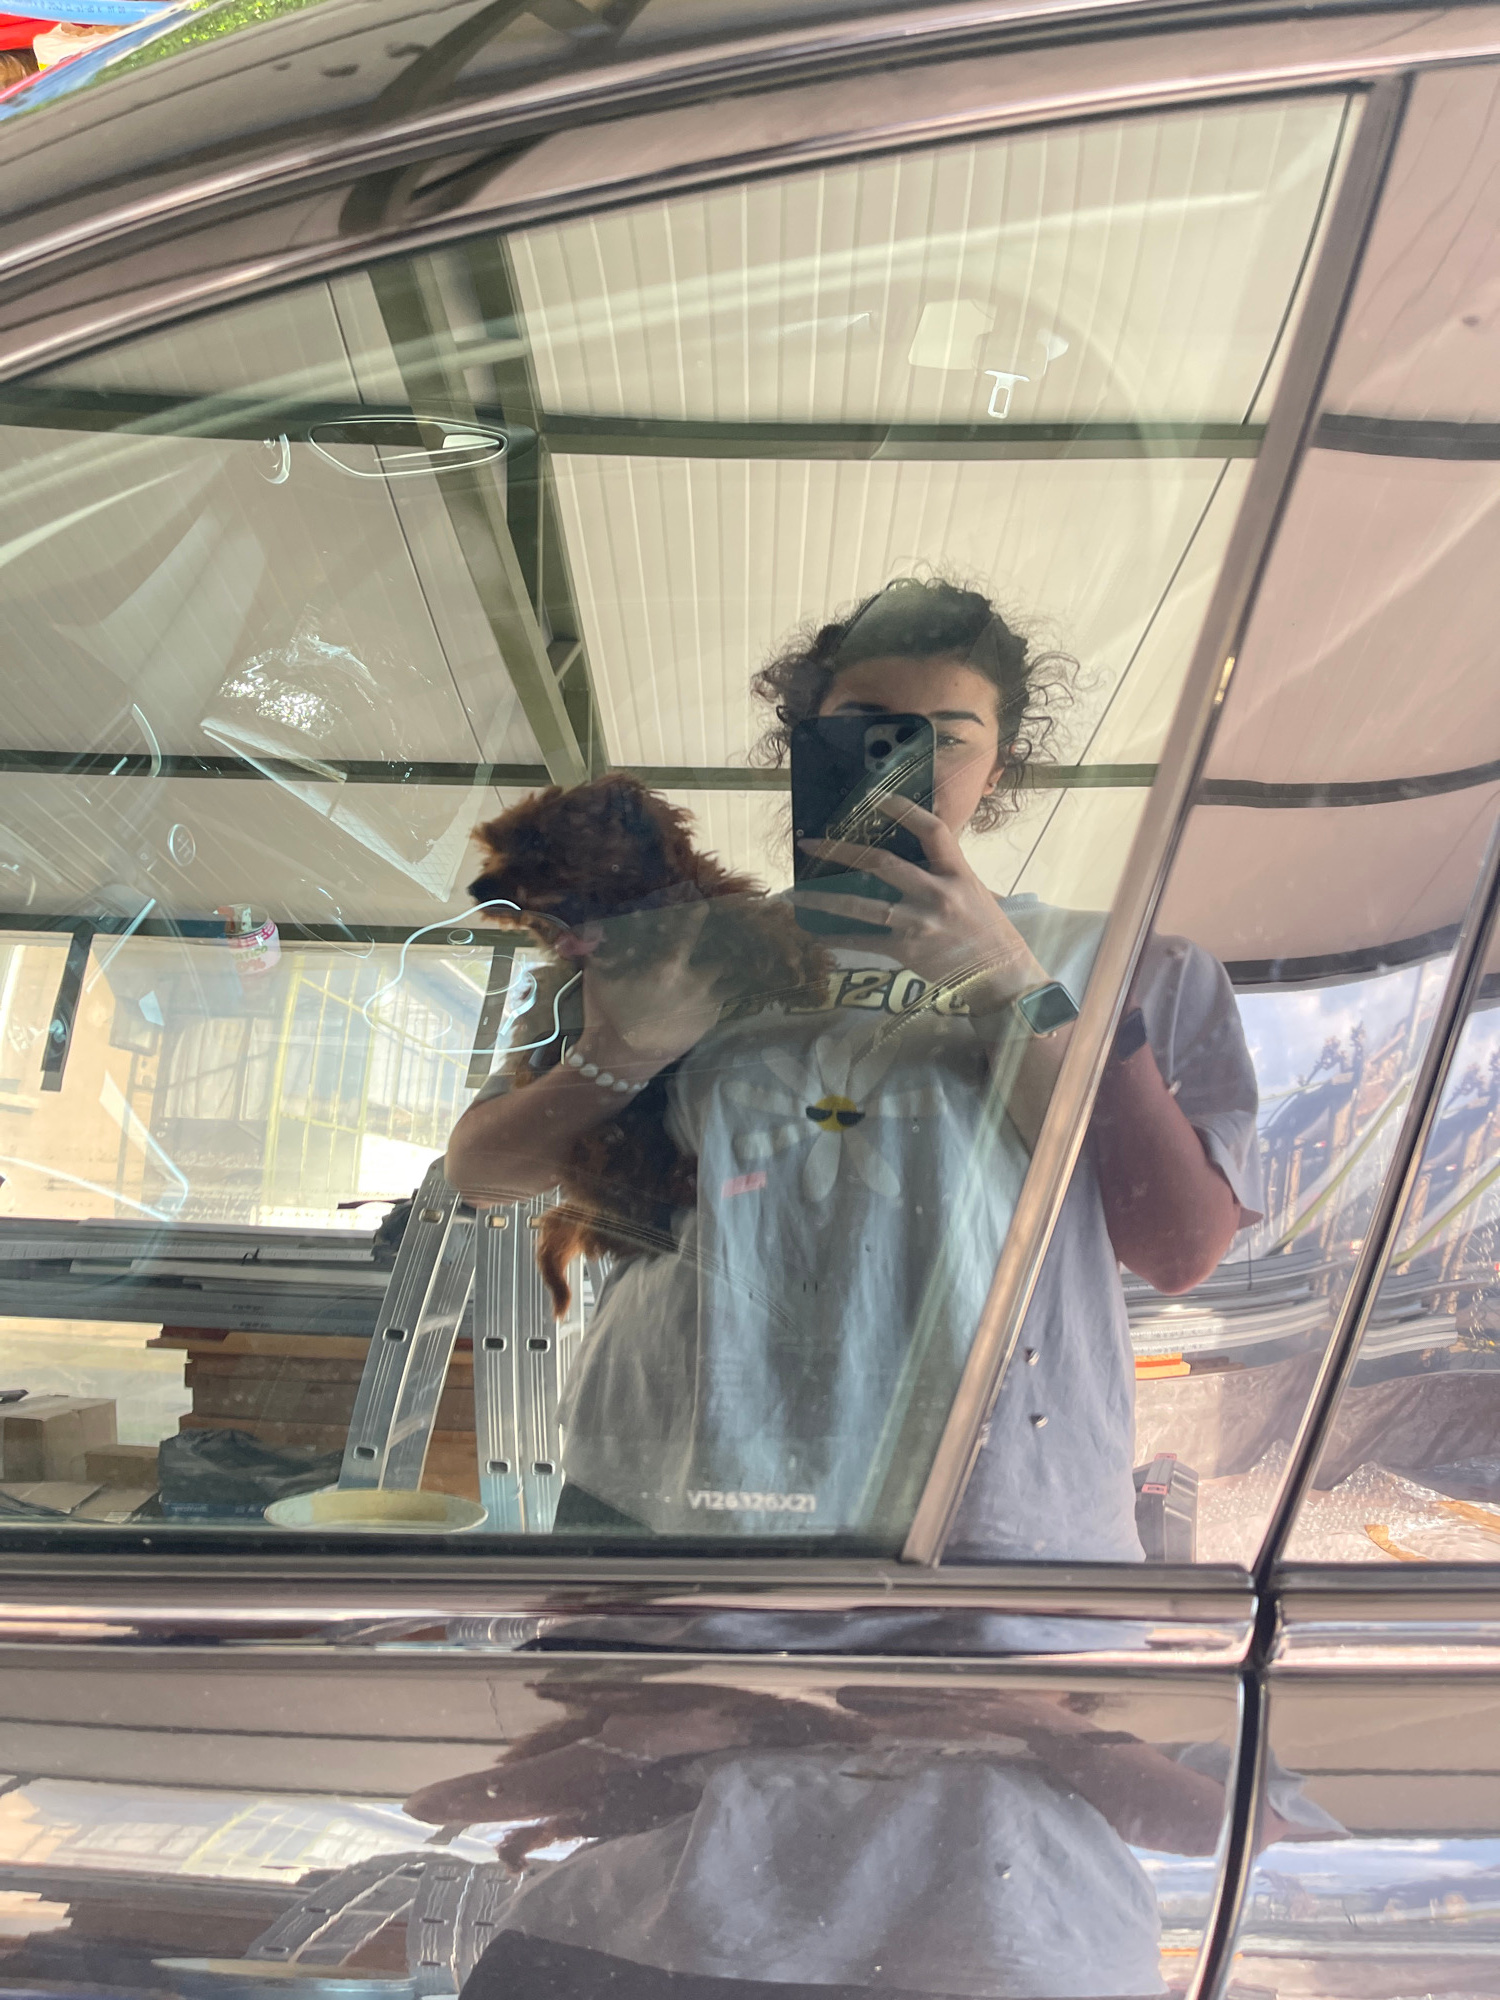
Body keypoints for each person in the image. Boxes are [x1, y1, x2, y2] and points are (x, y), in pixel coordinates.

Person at [446, 578, 1262, 1557]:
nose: (902, 766)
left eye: (947, 737)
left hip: (990, 1523)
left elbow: (1178, 1248)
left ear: (999, 768)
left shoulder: (1127, 963)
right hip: (670, 1495)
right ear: (805, 744)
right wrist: (620, 1055)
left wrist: (1011, 983)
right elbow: (480, 1171)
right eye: (865, 728)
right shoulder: (678, 944)